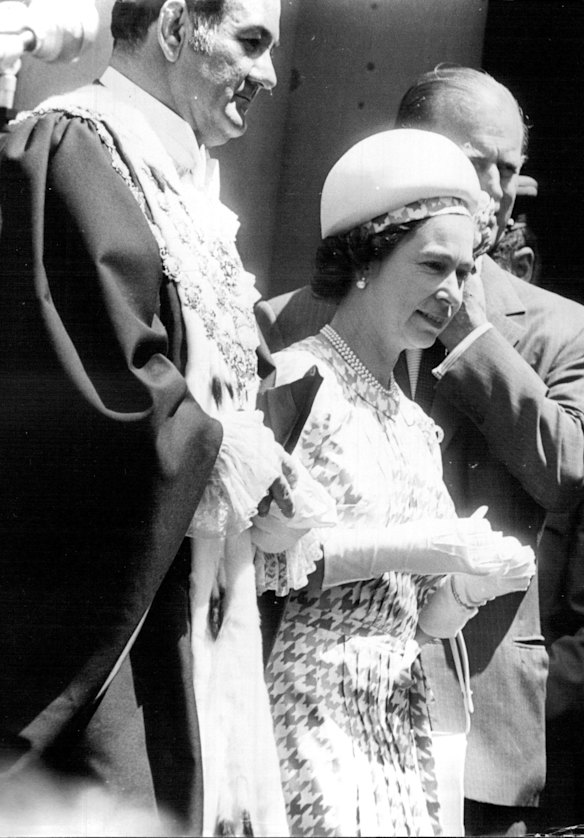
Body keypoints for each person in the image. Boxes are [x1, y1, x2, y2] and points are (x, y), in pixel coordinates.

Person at [0, 0, 318, 834]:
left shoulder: (181, 184)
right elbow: (94, 383)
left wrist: (271, 475)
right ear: (176, 27)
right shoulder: (71, 146)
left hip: (193, 605)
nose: (268, 75)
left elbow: (227, 385)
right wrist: (220, 449)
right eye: (250, 42)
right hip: (113, 625)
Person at [256, 65, 584, 837]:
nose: (494, 191)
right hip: (311, 705)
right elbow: (262, 543)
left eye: (509, 169)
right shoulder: (289, 332)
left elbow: (568, 471)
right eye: (476, 163)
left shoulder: (551, 328)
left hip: (466, 708)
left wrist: (467, 332)